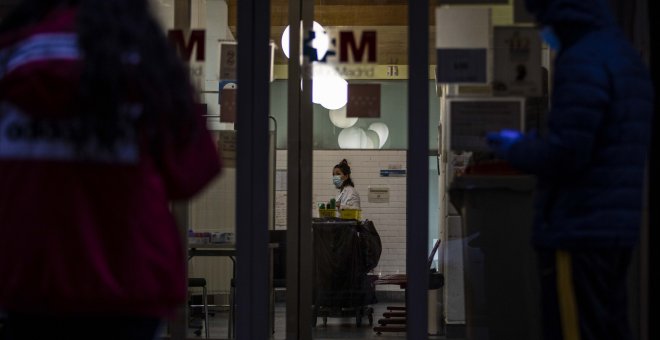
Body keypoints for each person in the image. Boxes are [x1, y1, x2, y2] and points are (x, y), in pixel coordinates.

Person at [0, 0, 221, 339]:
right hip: (128, 286)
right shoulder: (145, 60)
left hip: (32, 281)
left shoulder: (9, 54)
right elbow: (194, 171)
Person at [486, 0, 653, 339]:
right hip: (615, 228)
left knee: (573, 329)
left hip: (578, 228)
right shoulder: (621, 54)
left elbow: (566, 154)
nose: (541, 30)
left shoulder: (582, 60)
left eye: (542, 19)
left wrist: (515, 147)